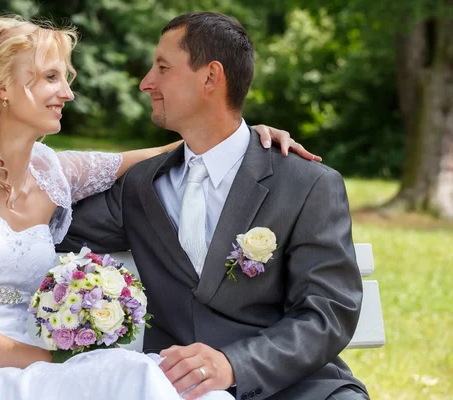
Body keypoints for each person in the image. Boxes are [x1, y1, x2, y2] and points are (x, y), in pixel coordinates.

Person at [0, 15, 312, 400]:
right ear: (3, 88)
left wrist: (242, 137)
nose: (67, 93)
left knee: (196, 393)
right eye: (52, 78)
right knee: (134, 378)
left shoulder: (52, 172)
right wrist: (51, 362)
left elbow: (161, 153)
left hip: (37, 371)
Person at [54, 12, 369, 400]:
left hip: (295, 386)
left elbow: (328, 313)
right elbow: (48, 229)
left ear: (210, 77)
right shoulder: (140, 187)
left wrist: (234, 365)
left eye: (163, 68)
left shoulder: (307, 184)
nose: (145, 82)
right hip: (175, 387)